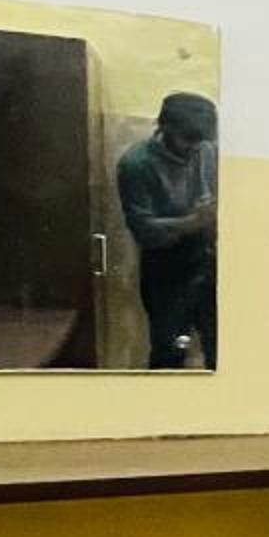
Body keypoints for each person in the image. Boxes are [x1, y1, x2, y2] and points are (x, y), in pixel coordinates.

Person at [116, 91, 218, 369]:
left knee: (221, 350)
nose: (195, 148)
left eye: (201, 141)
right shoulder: (136, 163)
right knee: (168, 356)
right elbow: (143, 228)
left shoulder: (206, 148)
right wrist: (193, 222)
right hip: (166, 270)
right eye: (188, 140)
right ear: (165, 128)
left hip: (208, 262)